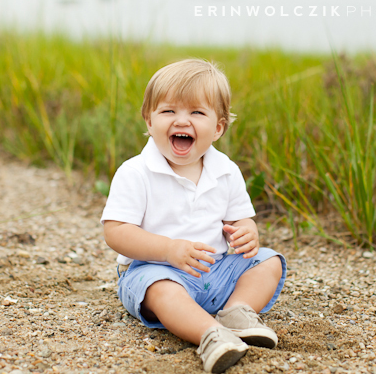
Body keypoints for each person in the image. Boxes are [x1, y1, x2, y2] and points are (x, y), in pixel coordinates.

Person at [101, 59, 286, 373]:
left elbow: (239, 218)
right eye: (168, 111)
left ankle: (236, 313)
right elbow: (116, 231)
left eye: (196, 112)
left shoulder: (226, 170)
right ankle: (211, 335)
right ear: (149, 120)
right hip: (156, 269)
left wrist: (246, 231)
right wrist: (168, 250)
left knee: (268, 261)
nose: (181, 121)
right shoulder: (136, 172)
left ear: (218, 128)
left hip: (214, 269)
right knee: (159, 288)